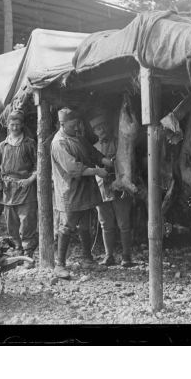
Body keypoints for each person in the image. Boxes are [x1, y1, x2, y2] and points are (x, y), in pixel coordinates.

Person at [50, 108, 113, 279]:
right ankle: (60, 264)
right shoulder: (59, 143)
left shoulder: (77, 137)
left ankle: (87, 258)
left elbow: (93, 153)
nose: (76, 127)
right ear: (62, 124)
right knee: (67, 226)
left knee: (85, 224)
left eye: (77, 123)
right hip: (70, 191)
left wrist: (107, 161)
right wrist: (97, 171)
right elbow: (73, 169)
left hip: (85, 189)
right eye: (72, 124)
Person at [89, 111, 135, 268]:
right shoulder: (92, 148)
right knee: (105, 223)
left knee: (124, 223)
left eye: (103, 127)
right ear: (94, 132)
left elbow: (129, 161)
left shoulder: (120, 143)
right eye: (97, 129)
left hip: (120, 187)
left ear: (108, 127)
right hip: (102, 189)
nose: (101, 130)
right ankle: (109, 256)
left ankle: (126, 256)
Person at [0, 110, 38, 257]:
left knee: (27, 220)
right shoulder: (2, 146)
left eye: (17, 125)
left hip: (25, 187)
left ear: (22, 125)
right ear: (8, 126)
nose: (15, 128)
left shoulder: (29, 143)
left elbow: (39, 165)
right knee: (11, 222)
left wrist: (29, 180)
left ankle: (28, 251)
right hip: (8, 189)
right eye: (12, 125)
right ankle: (18, 248)